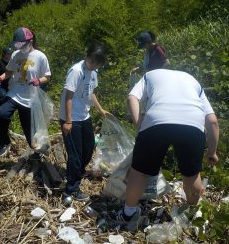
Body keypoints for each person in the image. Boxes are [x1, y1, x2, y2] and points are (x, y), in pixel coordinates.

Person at [112, 69, 219, 231]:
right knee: (192, 174)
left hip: (157, 120)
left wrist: (139, 124)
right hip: (193, 124)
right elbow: (212, 121)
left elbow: (131, 98)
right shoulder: (193, 80)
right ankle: (190, 213)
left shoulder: (149, 75)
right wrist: (212, 152)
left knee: (139, 172)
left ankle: (128, 214)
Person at [59, 43, 111, 201]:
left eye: (97, 63)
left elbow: (91, 92)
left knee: (88, 148)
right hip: (71, 118)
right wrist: (68, 122)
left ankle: (75, 173)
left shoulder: (93, 72)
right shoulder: (76, 71)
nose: (93, 64)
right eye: (91, 61)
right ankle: (70, 190)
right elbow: (68, 97)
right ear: (86, 56)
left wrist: (101, 110)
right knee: (75, 155)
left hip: (84, 116)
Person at [0, 27, 51, 157]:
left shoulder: (40, 56)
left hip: (30, 97)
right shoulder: (15, 54)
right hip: (15, 93)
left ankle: (37, 151)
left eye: (21, 44)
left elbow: (47, 76)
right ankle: (4, 143)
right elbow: (10, 71)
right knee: (2, 115)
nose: (18, 47)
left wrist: (39, 80)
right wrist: (0, 78)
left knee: (29, 129)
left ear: (30, 42)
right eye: (17, 44)